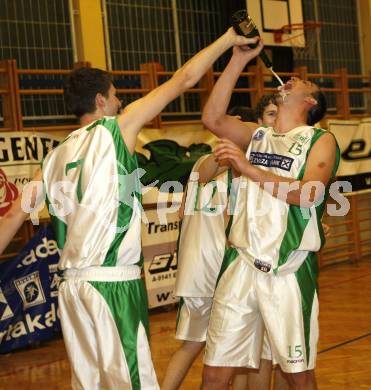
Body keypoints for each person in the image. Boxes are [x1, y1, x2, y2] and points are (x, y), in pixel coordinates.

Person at [0, 30, 257, 390]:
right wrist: (229, 41)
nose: (121, 102)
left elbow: (13, 216)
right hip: (111, 283)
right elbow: (183, 79)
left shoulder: (53, 157)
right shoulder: (114, 130)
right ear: (100, 101)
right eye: (116, 95)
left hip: (71, 290)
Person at [200, 43, 339, 390]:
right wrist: (239, 59)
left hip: (287, 270)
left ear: (311, 102)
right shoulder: (257, 135)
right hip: (242, 263)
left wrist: (248, 169)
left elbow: (308, 194)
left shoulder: (320, 140)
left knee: (297, 375)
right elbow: (212, 119)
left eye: (303, 82)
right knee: (215, 373)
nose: (292, 77)